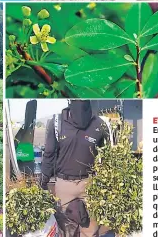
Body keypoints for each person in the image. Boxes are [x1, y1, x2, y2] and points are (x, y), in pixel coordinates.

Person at [40, 100, 110, 237]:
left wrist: (44, 179)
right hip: (71, 185)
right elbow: (50, 154)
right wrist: (44, 177)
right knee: (72, 229)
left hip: (88, 185)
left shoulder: (100, 125)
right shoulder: (57, 123)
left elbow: (106, 157)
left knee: (81, 230)